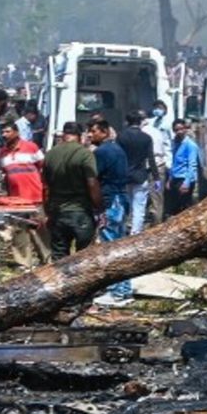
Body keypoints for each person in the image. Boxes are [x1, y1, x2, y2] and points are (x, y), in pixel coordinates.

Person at [88, 120, 133, 305]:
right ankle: (124, 289)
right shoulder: (118, 150)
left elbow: (94, 178)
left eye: (93, 132)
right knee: (119, 246)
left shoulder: (102, 152)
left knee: (110, 248)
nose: (90, 135)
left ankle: (117, 292)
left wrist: (97, 205)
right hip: (121, 199)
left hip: (110, 202)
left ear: (105, 132)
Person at [41, 121, 100, 260]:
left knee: (59, 256)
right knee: (84, 257)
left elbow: (45, 186)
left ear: (63, 135)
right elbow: (92, 183)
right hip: (80, 211)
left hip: (57, 212)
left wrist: (47, 210)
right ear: (80, 136)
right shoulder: (85, 154)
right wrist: (98, 205)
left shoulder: (50, 154)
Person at [0, 120, 48, 266]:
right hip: (16, 199)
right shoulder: (3, 153)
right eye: (3, 132)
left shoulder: (31, 147)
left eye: (7, 131)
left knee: (40, 230)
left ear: (16, 132)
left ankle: (47, 259)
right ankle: (23, 263)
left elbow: (44, 167)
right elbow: (6, 176)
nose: (4, 135)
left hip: (35, 196)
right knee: (19, 232)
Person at [118, 110, 156, 235]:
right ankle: (136, 232)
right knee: (139, 206)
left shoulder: (121, 136)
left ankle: (123, 230)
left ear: (127, 122)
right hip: (140, 175)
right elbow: (151, 158)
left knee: (124, 205)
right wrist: (156, 178)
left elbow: (118, 156)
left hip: (124, 175)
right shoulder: (146, 138)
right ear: (140, 122)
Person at [166, 119, 201, 217]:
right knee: (175, 209)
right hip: (175, 178)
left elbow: (192, 165)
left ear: (185, 129)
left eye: (181, 129)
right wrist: (170, 178)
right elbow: (174, 162)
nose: (179, 132)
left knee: (185, 209)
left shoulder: (190, 145)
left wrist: (186, 183)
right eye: (176, 130)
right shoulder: (175, 143)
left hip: (185, 178)